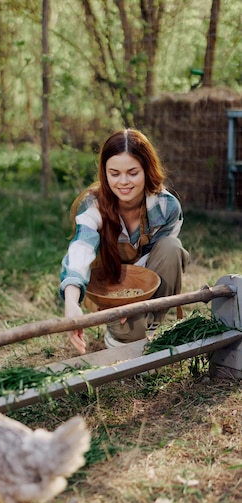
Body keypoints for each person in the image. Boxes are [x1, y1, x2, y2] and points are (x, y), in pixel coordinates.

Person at [60, 128, 189, 355]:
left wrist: (132, 300)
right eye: (114, 173)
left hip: (146, 283)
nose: (123, 182)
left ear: (147, 170)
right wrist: (71, 303)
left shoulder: (166, 207)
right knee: (127, 342)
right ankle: (124, 333)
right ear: (105, 173)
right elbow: (81, 248)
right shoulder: (94, 204)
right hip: (109, 283)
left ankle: (151, 322)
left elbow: (157, 262)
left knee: (171, 248)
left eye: (132, 172)